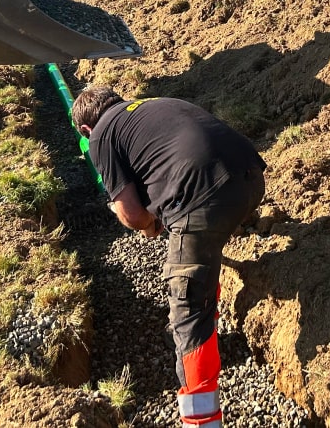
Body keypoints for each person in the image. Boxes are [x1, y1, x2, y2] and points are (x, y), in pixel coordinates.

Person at [71, 86, 266, 427]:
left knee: (187, 301)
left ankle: (202, 418)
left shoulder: (101, 135)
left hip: (206, 198)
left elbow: (130, 212)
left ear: (86, 130)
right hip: (250, 179)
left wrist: (149, 223)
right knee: (201, 257)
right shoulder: (153, 105)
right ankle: (208, 310)